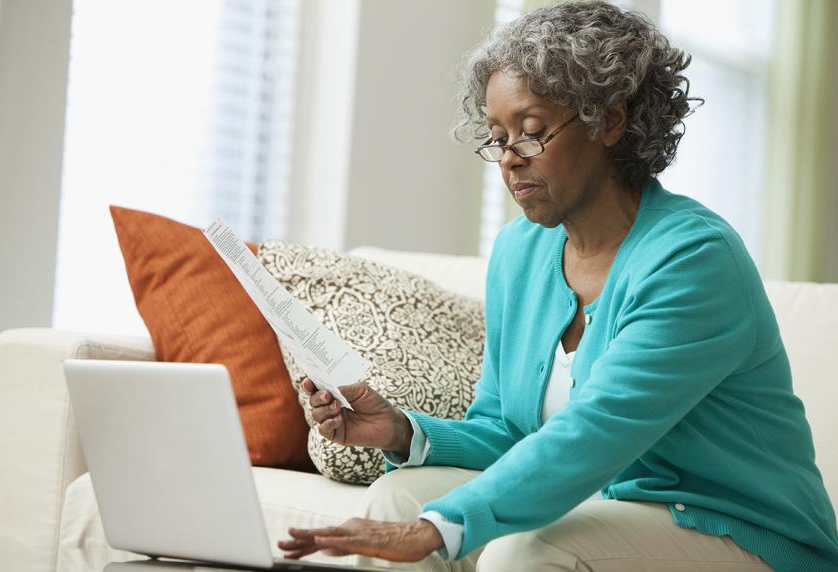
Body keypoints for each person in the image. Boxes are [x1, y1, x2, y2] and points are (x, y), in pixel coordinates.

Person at [278, 2, 838, 571]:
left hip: (733, 528)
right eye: (496, 137)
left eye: (530, 133)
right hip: (604, 503)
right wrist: (402, 431)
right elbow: (507, 429)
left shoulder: (694, 259)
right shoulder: (519, 253)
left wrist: (440, 526)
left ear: (610, 122)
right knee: (395, 501)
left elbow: (596, 431)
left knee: (528, 550)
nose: (508, 160)